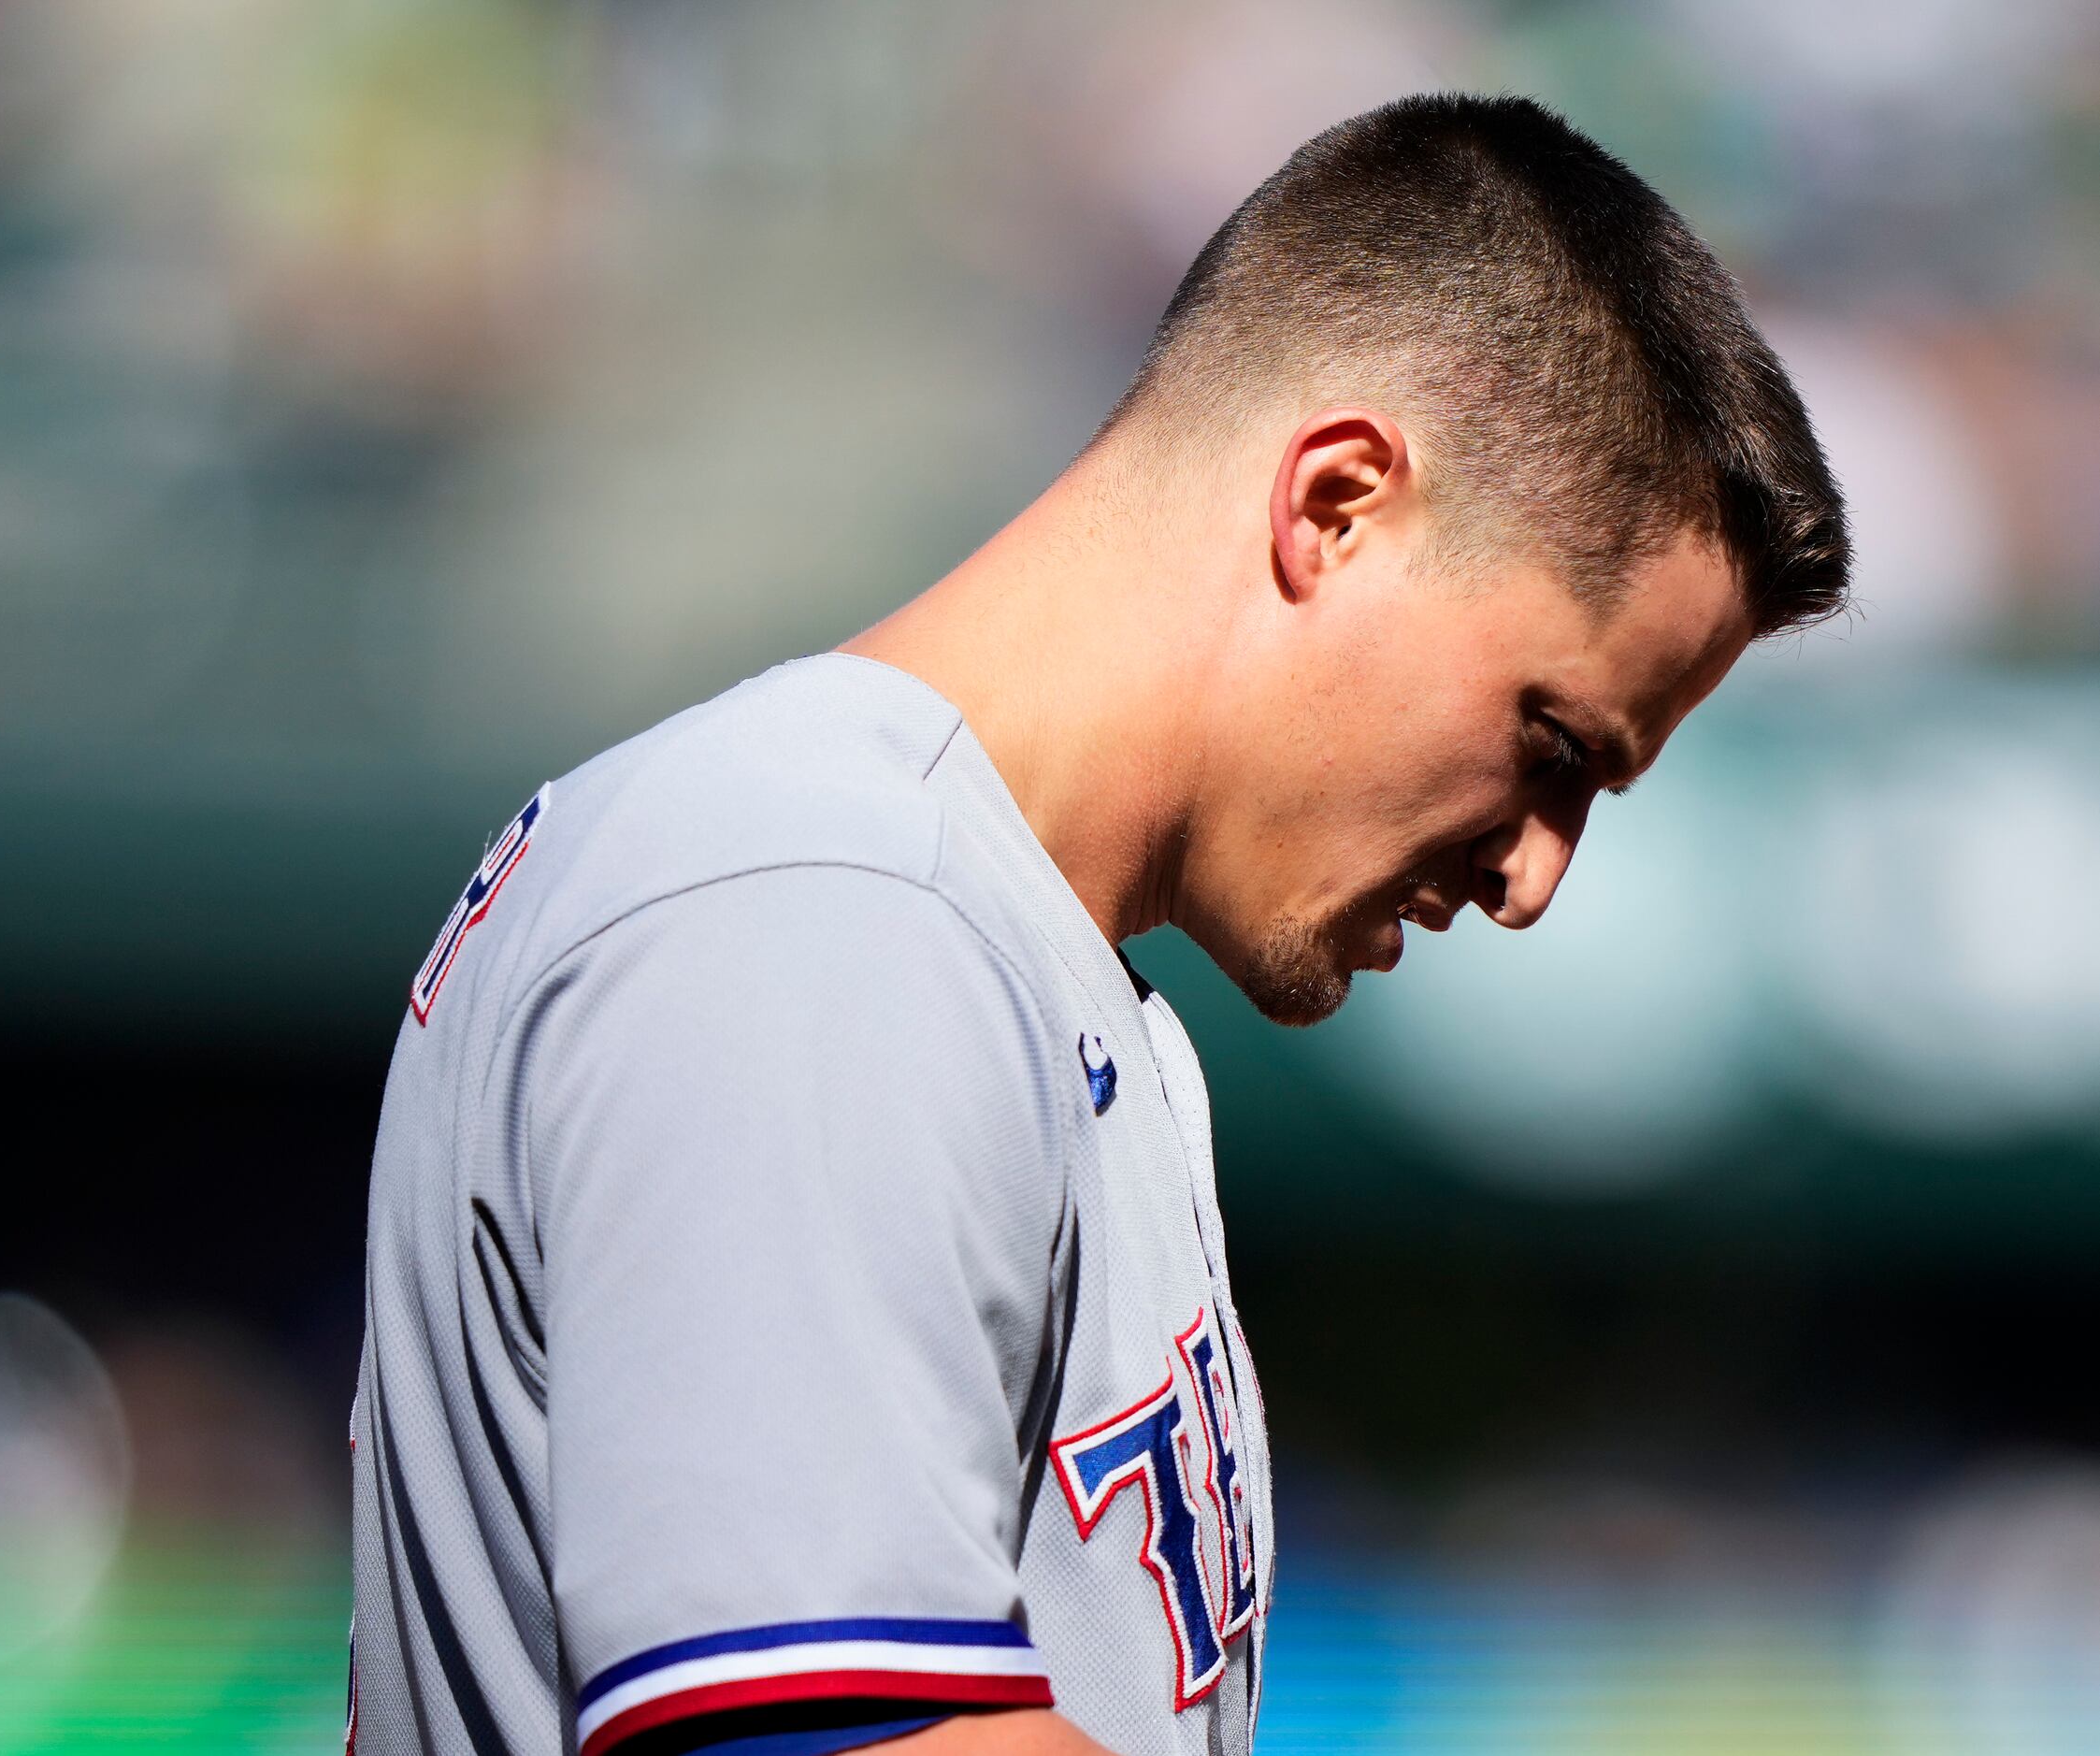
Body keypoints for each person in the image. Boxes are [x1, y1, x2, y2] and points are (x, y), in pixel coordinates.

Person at [349, 94, 1848, 1756]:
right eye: (1551, 745)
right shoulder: (824, 901)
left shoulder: (985, 940)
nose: (1534, 873)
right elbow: (814, 1736)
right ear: (1337, 503)